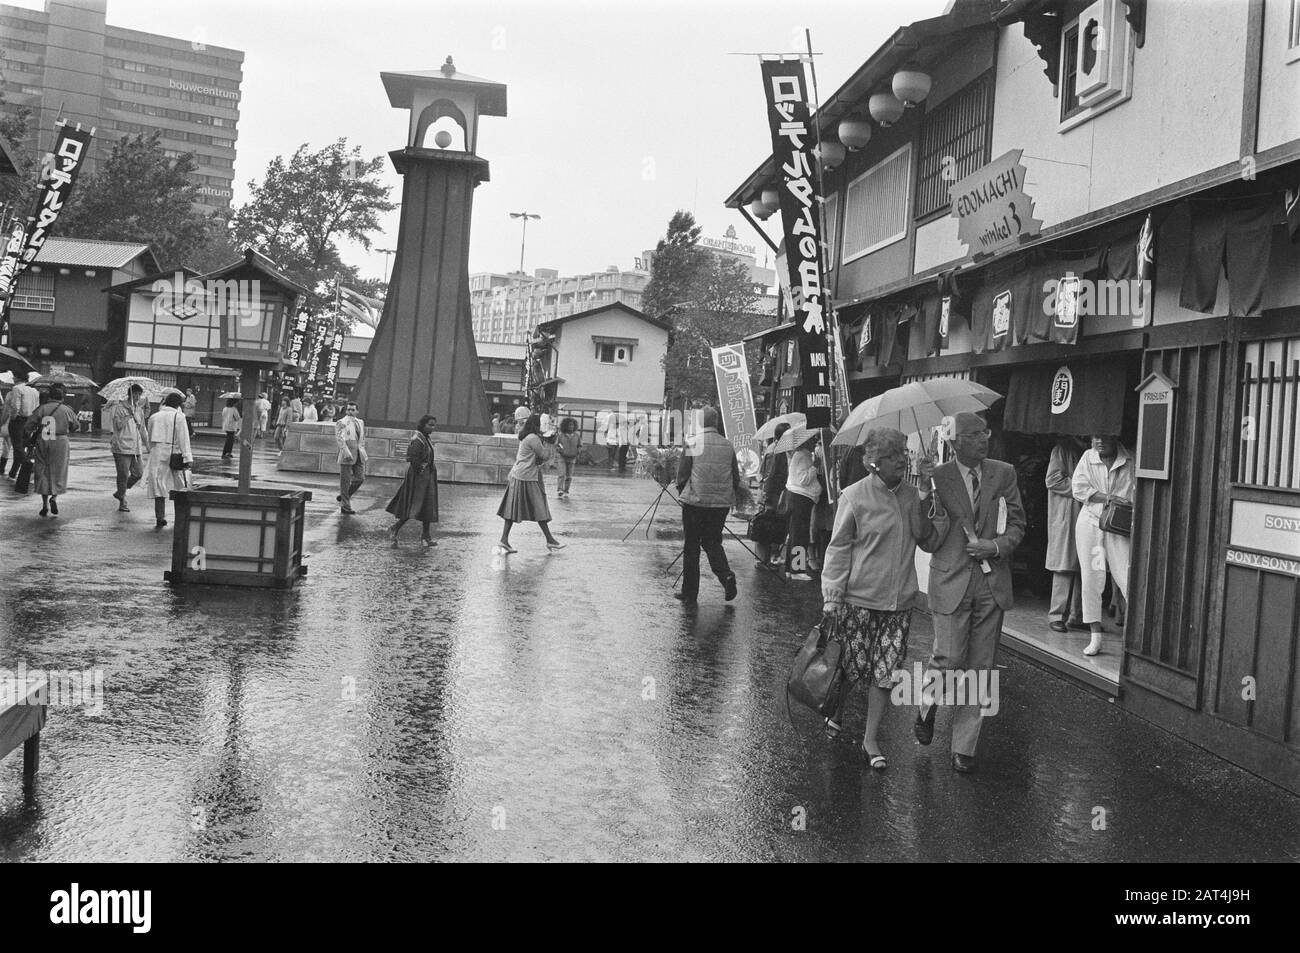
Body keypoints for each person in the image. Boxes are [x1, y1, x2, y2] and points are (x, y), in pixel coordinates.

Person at [821, 428, 946, 768]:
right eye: (894, 456)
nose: (902, 460)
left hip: (899, 602)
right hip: (858, 599)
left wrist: (923, 494)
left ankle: (870, 739)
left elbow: (925, 538)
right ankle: (838, 708)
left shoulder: (910, 495)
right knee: (852, 667)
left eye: (904, 453)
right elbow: (839, 547)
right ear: (874, 462)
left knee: (885, 672)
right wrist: (832, 595)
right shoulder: (855, 495)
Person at [915, 411, 1026, 774]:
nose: (985, 439)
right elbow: (928, 538)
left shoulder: (1003, 473)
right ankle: (927, 705)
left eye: (986, 432)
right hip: (950, 579)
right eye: (976, 434)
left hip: (991, 582)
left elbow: (1018, 524)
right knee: (947, 658)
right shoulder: (939, 476)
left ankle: (964, 747)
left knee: (981, 666)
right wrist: (923, 491)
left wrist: (994, 547)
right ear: (956, 441)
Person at [1071, 434, 1134, 657]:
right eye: (1095, 437)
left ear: (1115, 439)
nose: (1098, 442)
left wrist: (1124, 502)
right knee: (1092, 576)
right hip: (1090, 522)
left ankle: (1134, 637)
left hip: (1119, 525)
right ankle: (1095, 636)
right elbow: (1078, 488)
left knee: (1126, 577)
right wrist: (1108, 498)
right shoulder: (1088, 457)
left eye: (1103, 437)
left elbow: (1135, 493)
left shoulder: (1130, 461)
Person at [674, 406, 741, 605]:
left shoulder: (692, 442)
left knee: (692, 546)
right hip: (720, 505)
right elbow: (735, 478)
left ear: (701, 422)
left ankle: (690, 593)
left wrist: (682, 495)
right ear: (716, 422)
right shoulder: (728, 446)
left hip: (695, 502)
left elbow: (682, 476)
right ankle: (726, 575)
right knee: (712, 542)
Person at [496, 412, 564, 553]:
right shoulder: (533, 438)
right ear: (536, 424)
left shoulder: (527, 436)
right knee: (540, 508)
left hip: (520, 475)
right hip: (527, 477)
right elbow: (544, 456)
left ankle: (504, 540)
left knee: (512, 510)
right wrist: (553, 444)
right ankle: (550, 540)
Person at [1045, 436, 1087, 635]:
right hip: (1067, 513)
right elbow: (1053, 479)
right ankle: (1057, 615)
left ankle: (1077, 615)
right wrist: (1084, 488)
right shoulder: (1061, 449)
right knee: (1064, 565)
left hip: (1086, 512)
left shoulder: (1089, 450)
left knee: (1084, 566)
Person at [24, 383, 80, 517]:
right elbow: (76, 426)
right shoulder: (67, 410)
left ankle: (44, 505)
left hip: (43, 440)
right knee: (58, 471)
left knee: (42, 470)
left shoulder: (42, 409)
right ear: (62, 397)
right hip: (60, 442)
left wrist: (29, 437)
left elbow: (28, 426)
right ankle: (54, 497)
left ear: (49, 396)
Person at [386, 414, 440, 546]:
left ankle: (426, 536)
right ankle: (395, 528)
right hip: (419, 478)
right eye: (430, 425)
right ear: (423, 424)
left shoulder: (425, 438)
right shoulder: (418, 439)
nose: (432, 428)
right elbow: (412, 458)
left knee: (427, 506)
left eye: (434, 425)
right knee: (413, 506)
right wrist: (420, 472)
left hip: (427, 477)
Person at [144, 391, 192, 527]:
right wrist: (187, 457)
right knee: (180, 486)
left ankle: (160, 517)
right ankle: (181, 517)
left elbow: (149, 436)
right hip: (173, 453)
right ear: (178, 404)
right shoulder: (179, 417)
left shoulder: (154, 416)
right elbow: (184, 439)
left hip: (156, 453)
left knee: (158, 485)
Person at [784, 431, 823, 581]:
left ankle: (790, 568)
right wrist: (815, 467)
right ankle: (797, 569)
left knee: (795, 534)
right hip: (801, 498)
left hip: (799, 498)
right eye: (812, 440)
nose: (814, 442)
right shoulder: (802, 455)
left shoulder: (801, 454)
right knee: (800, 534)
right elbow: (803, 479)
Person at [753, 422, 790, 565]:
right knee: (766, 525)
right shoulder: (776, 450)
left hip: (774, 492)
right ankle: (763, 559)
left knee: (772, 525)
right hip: (772, 493)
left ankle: (767, 558)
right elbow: (770, 473)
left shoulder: (777, 449)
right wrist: (767, 495)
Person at [108, 383, 148, 512]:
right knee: (123, 475)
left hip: (135, 448)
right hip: (121, 447)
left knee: (139, 473)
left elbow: (142, 429)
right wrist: (127, 416)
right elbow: (117, 426)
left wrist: (147, 445)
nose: (137, 397)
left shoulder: (139, 410)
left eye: (139, 394)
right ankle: (123, 502)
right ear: (129, 394)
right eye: (135, 394)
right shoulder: (119, 408)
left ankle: (121, 491)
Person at [6, 373, 39, 489]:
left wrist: (13, 417)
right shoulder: (34, 391)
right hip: (30, 421)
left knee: (18, 448)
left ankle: (29, 467)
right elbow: (37, 407)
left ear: (17, 378)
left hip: (19, 421)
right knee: (22, 446)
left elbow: (15, 406)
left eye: (14, 377)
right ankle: (13, 473)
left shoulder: (16, 389)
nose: (13, 378)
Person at [335, 401, 367, 515]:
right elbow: (339, 439)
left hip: (359, 454)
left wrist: (362, 450)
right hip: (346, 455)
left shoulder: (361, 422)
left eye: (353, 410)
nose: (350, 412)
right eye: (348, 409)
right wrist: (346, 452)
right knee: (345, 481)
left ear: (357, 411)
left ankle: (344, 496)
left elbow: (362, 438)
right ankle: (346, 506)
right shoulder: (341, 422)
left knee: (360, 478)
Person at [556, 416, 581, 499]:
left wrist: (578, 451)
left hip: (572, 458)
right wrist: (560, 450)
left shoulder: (577, 436)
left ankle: (566, 490)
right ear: (565, 426)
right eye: (569, 425)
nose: (571, 427)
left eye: (572, 425)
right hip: (562, 458)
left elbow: (580, 445)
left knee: (569, 476)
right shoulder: (561, 435)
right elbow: (557, 445)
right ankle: (560, 489)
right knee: (561, 474)